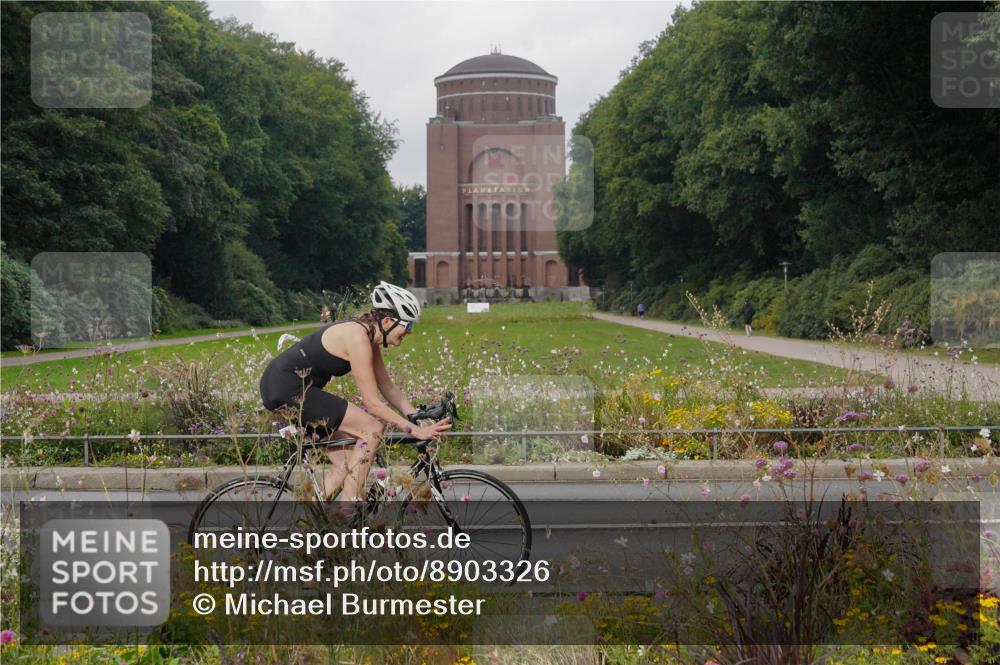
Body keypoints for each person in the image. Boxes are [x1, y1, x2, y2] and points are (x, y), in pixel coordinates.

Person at [259, 281, 451, 501]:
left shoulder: (370, 337)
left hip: (288, 386)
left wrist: (416, 416)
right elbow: (372, 403)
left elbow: (387, 387)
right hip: (286, 386)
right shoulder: (357, 337)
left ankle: (312, 524)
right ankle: (349, 515)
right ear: (387, 321)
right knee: (372, 429)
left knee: (346, 461)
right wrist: (414, 431)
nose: (409, 332)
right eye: (407, 326)